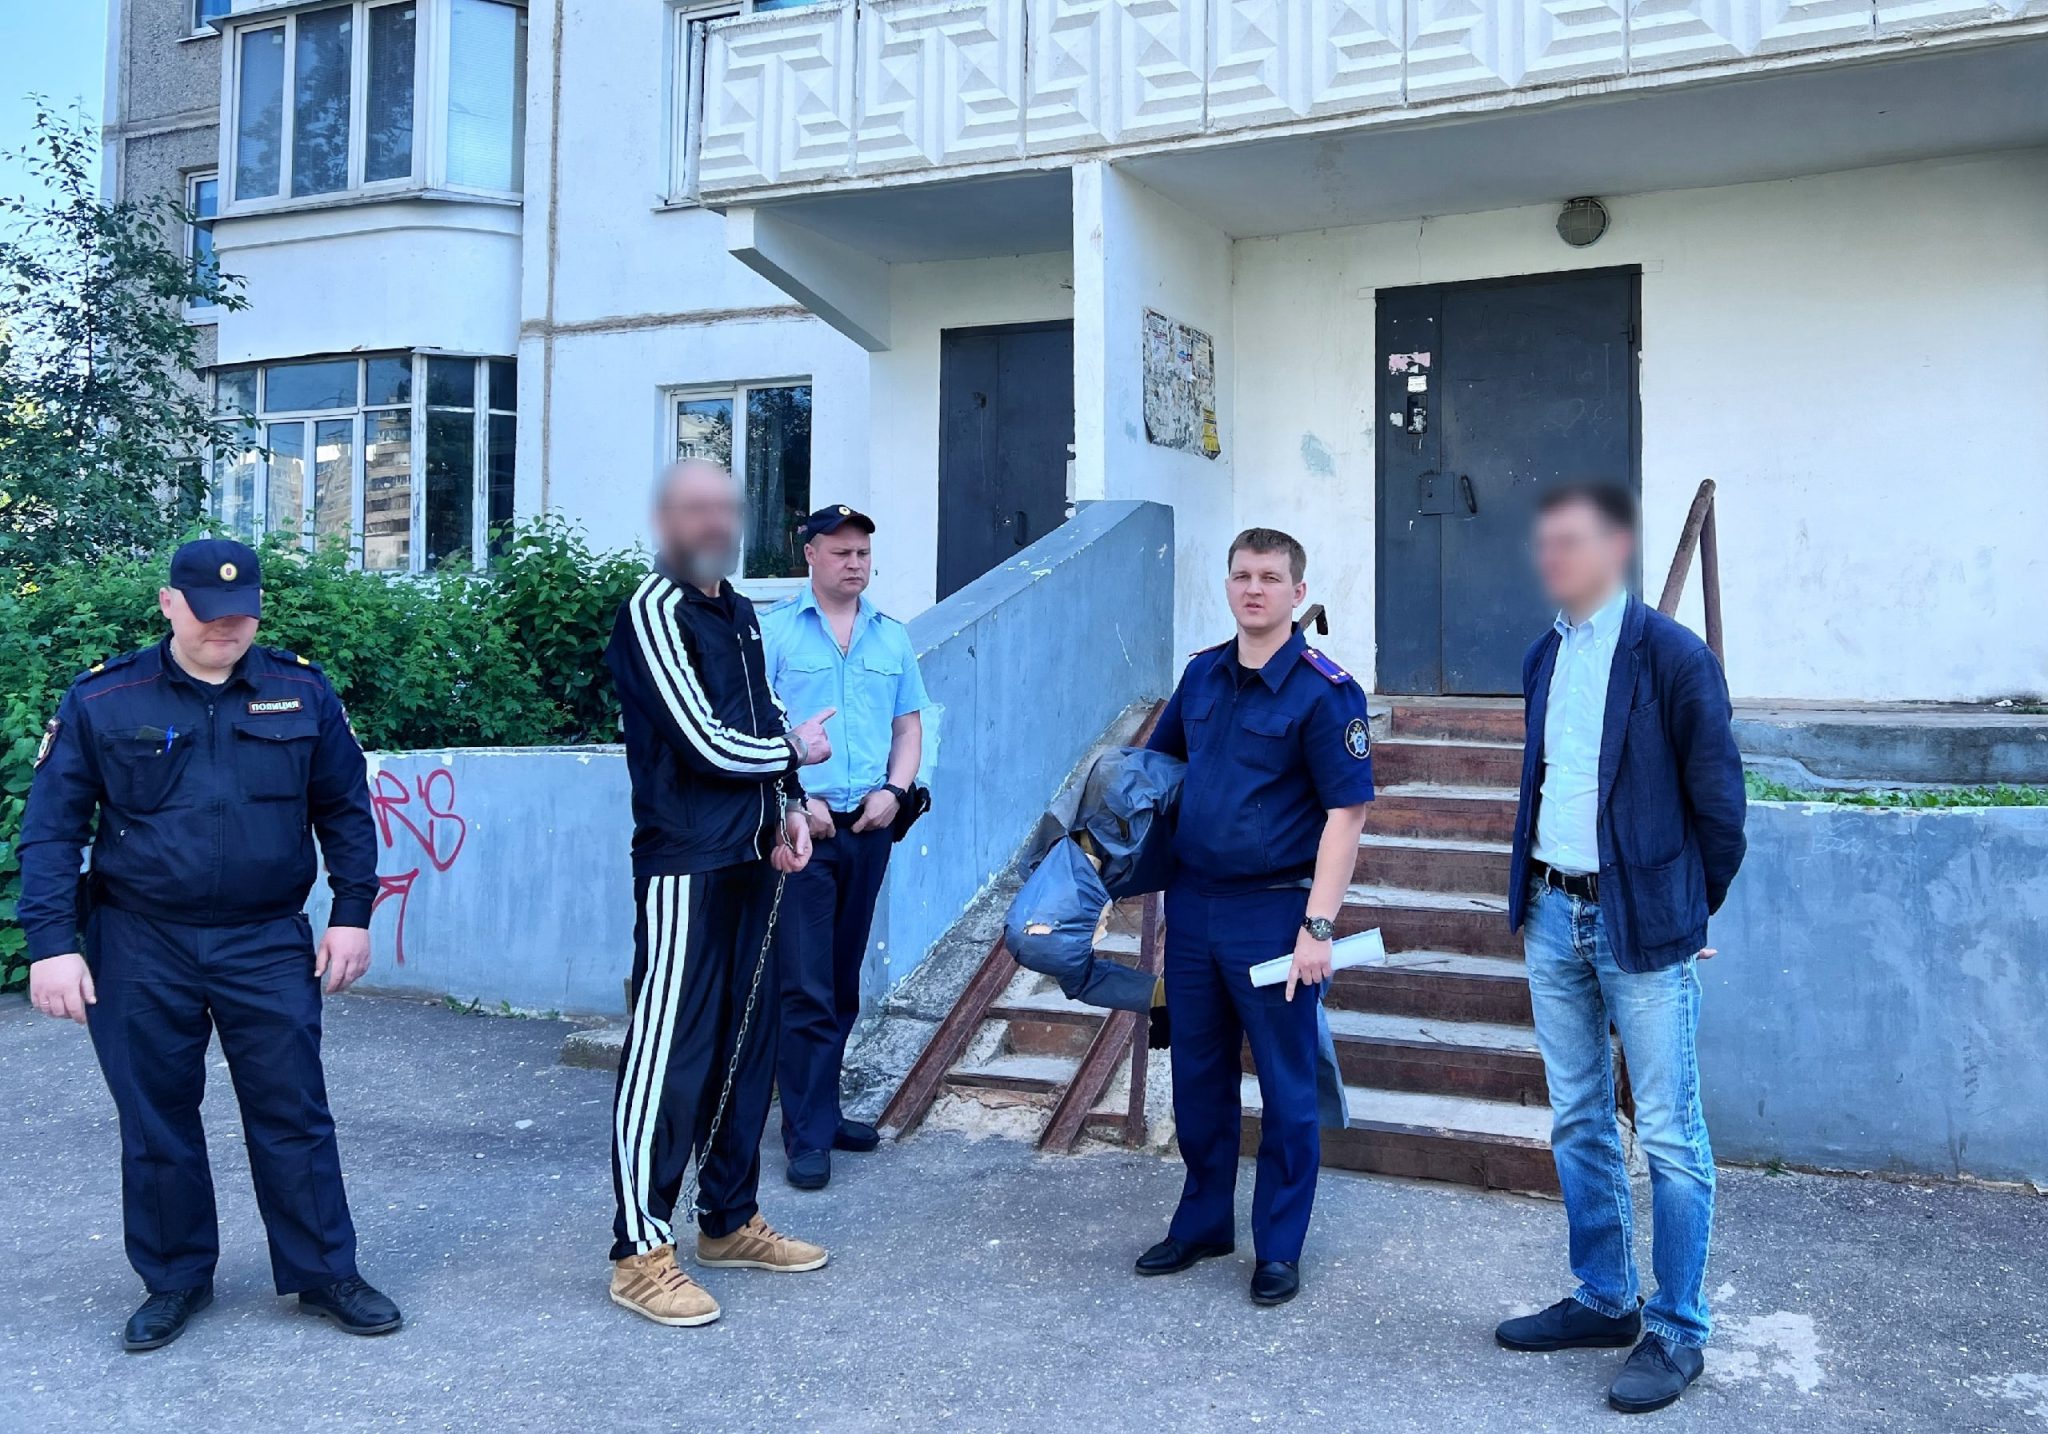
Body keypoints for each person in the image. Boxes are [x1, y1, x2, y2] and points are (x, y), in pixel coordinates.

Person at [17, 538, 401, 1351]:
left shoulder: (302, 691)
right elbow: (52, 830)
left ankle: (324, 1271)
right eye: (207, 611)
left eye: (242, 612)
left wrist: (352, 913)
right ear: (168, 604)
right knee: (155, 1117)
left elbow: (344, 810)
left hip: (264, 938)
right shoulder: (105, 697)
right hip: (138, 939)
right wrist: (51, 943)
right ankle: (175, 1279)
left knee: (293, 1110)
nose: (226, 626)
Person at [1493, 481, 1747, 1415]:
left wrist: (1687, 913)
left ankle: (1677, 1329)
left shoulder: (1673, 657)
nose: (1553, 558)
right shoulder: (1544, 655)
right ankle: (1605, 1297)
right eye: (1546, 543)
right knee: (1578, 1118)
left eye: (1572, 542)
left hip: (1642, 921)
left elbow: (1720, 809)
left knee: (1671, 1133)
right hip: (1551, 914)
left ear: (1615, 551)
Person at [603, 459, 839, 1329]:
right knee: (667, 1056)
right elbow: (703, 740)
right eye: (693, 509)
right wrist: (793, 756)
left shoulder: (737, 612)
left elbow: (761, 716)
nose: (711, 524)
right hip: (684, 866)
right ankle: (639, 1251)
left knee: (745, 1049)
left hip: (753, 858)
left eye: (723, 510)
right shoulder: (653, 611)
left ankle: (728, 1220)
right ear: (665, 520)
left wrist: (788, 808)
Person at [1137, 527, 1373, 1307]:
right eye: (1242, 575)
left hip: (1274, 913)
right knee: (1197, 1076)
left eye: (1271, 578)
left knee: (1285, 1086)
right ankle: (1203, 1222)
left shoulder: (1324, 691)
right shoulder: (1201, 675)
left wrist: (1319, 927)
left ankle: (1278, 1246)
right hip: (1194, 906)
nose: (1254, 589)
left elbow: (1347, 815)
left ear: (1298, 593)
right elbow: (1158, 774)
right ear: (1228, 584)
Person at [760, 504, 928, 1191]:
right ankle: (804, 1134)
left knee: (841, 979)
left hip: (868, 828)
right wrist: (796, 800)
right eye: (841, 552)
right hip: (804, 831)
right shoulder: (775, 631)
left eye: (862, 553)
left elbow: (909, 727)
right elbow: (756, 733)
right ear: (810, 555)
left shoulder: (891, 637)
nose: (855, 563)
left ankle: (824, 1115)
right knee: (804, 984)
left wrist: (896, 790)